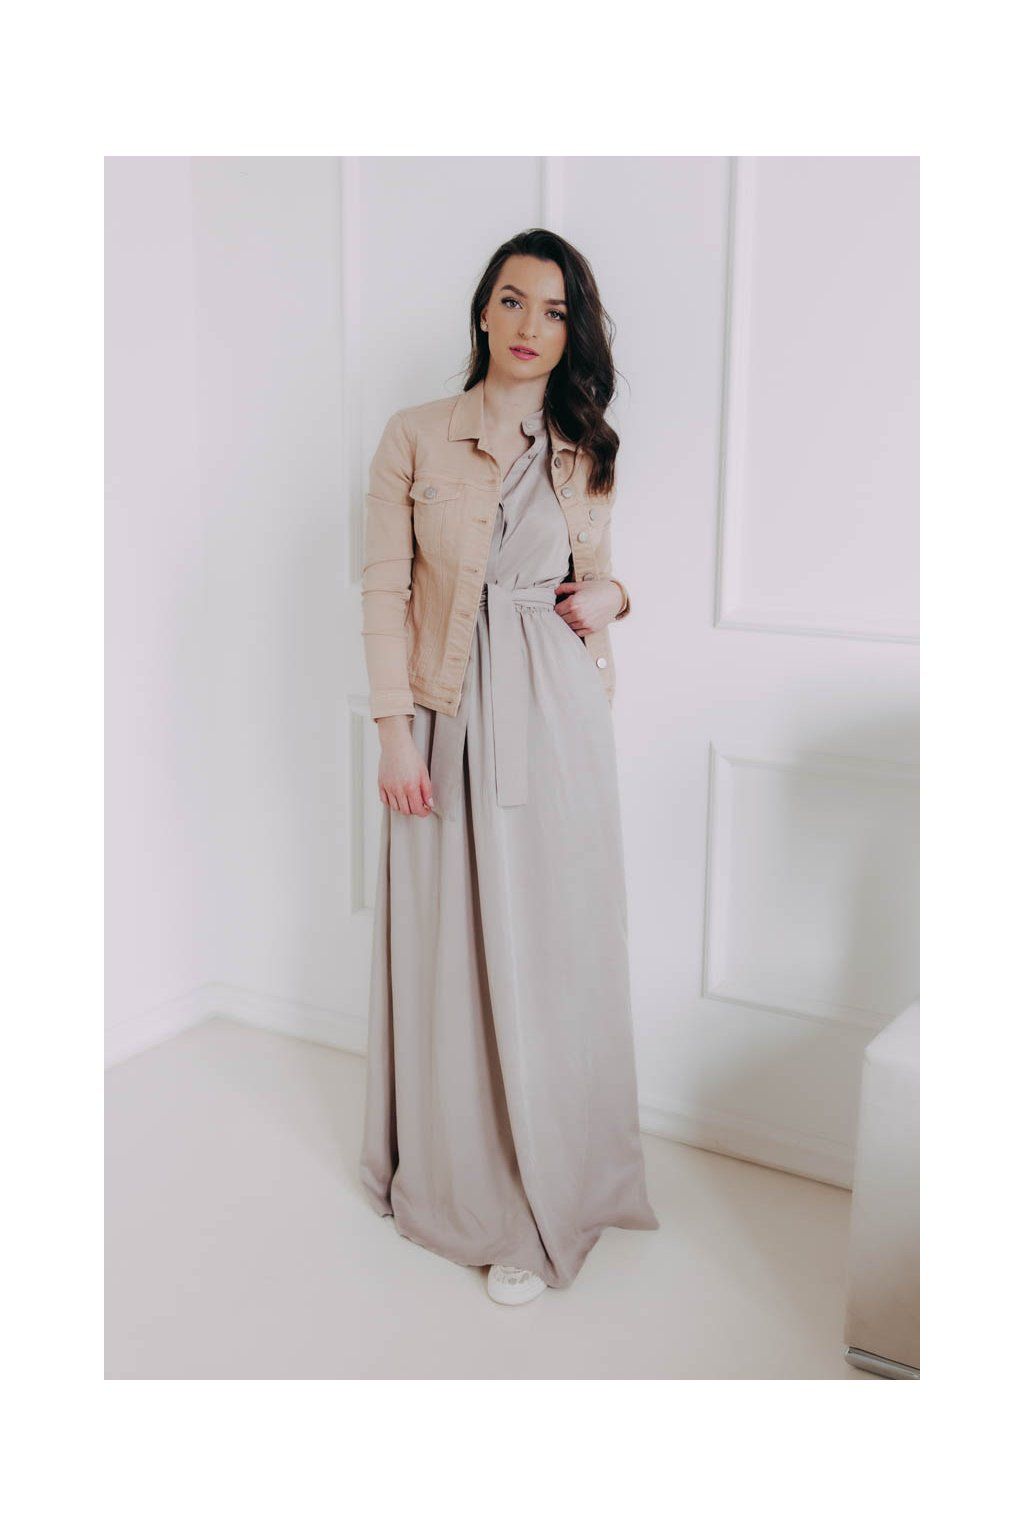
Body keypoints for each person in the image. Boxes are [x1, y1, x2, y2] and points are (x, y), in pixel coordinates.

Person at [358, 228, 658, 1306]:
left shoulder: (587, 444)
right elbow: (383, 591)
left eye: (558, 311)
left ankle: (555, 1183)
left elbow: (602, 577)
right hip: (446, 712)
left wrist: (613, 597)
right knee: (452, 945)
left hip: (560, 715)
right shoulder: (413, 436)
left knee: (557, 946)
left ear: (574, 332)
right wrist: (393, 733)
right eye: (516, 301)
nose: (534, 326)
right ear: (484, 309)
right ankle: (471, 1184)